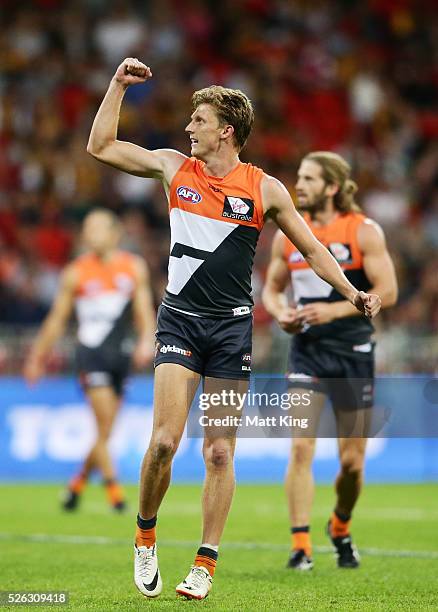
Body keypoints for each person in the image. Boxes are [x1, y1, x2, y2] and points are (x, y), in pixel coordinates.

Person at [86, 57, 381, 600]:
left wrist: (353, 292)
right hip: (179, 323)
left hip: (230, 332)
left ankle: (205, 562)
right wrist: (116, 87)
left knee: (219, 451)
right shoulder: (174, 167)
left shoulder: (265, 189)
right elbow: (101, 147)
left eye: (197, 120)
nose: (187, 128)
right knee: (163, 444)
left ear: (225, 129)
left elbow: (313, 250)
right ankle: (146, 535)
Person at [262, 151, 398, 571]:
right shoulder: (288, 234)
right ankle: (300, 544)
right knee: (301, 448)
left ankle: (339, 525)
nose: (298, 185)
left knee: (352, 465)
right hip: (307, 351)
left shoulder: (362, 231)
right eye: (298, 177)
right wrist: (281, 311)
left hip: (354, 352)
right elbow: (271, 289)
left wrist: (337, 310)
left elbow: (387, 291)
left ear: (332, 187)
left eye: (308, 178)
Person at [23, 209, 155, 512]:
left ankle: (77, 484)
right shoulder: (76, 272)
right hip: (90, 355)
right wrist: (37, 357)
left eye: (97, 228)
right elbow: (57, 319)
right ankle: (115, 493)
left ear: (114, 234)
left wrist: (147, 340)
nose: (90, 235)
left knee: (105, 430)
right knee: (104, 422)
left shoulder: (132, 267)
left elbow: (143, 309)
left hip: (121, 356)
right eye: (87, 229)